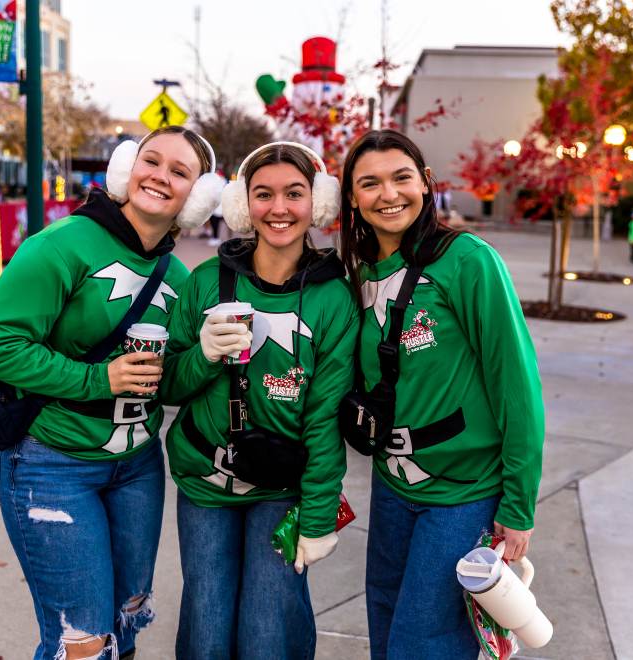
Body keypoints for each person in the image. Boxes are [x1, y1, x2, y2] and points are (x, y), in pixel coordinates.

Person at [0, 125, 224, 660]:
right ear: (125, 168)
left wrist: (205, 352)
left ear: (197, 198)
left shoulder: (175, 273)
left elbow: (168, 383)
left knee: (125, 623)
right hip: (51, 465)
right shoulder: (62, 244)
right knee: (81, 644)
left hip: (137, 466)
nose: (160, 176)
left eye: (180, 172)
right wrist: (96, 380)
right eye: (151, 161)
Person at [338, 130, 545, 659]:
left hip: (462, 492)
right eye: (370, 183)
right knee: (384, 624)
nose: (388, 194)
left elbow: (516, 386)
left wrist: (518, 505)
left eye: (401, 177)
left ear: (426, 183)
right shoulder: (355, 272)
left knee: (423, 643)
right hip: (391, 484)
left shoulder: (468, 260)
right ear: (352, 197)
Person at [160, 142, 357, 660]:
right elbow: (166, 387)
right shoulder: (206, 280)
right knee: (205, 626)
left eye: (294, 194)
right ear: (244, 205)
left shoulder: (334, 298)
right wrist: (201, 356)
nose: (279, 208)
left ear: (316, 202)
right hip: (206, 481)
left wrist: (317, 518)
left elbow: (324, 419)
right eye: (263, 194)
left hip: (281, 486)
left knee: (268, 633)